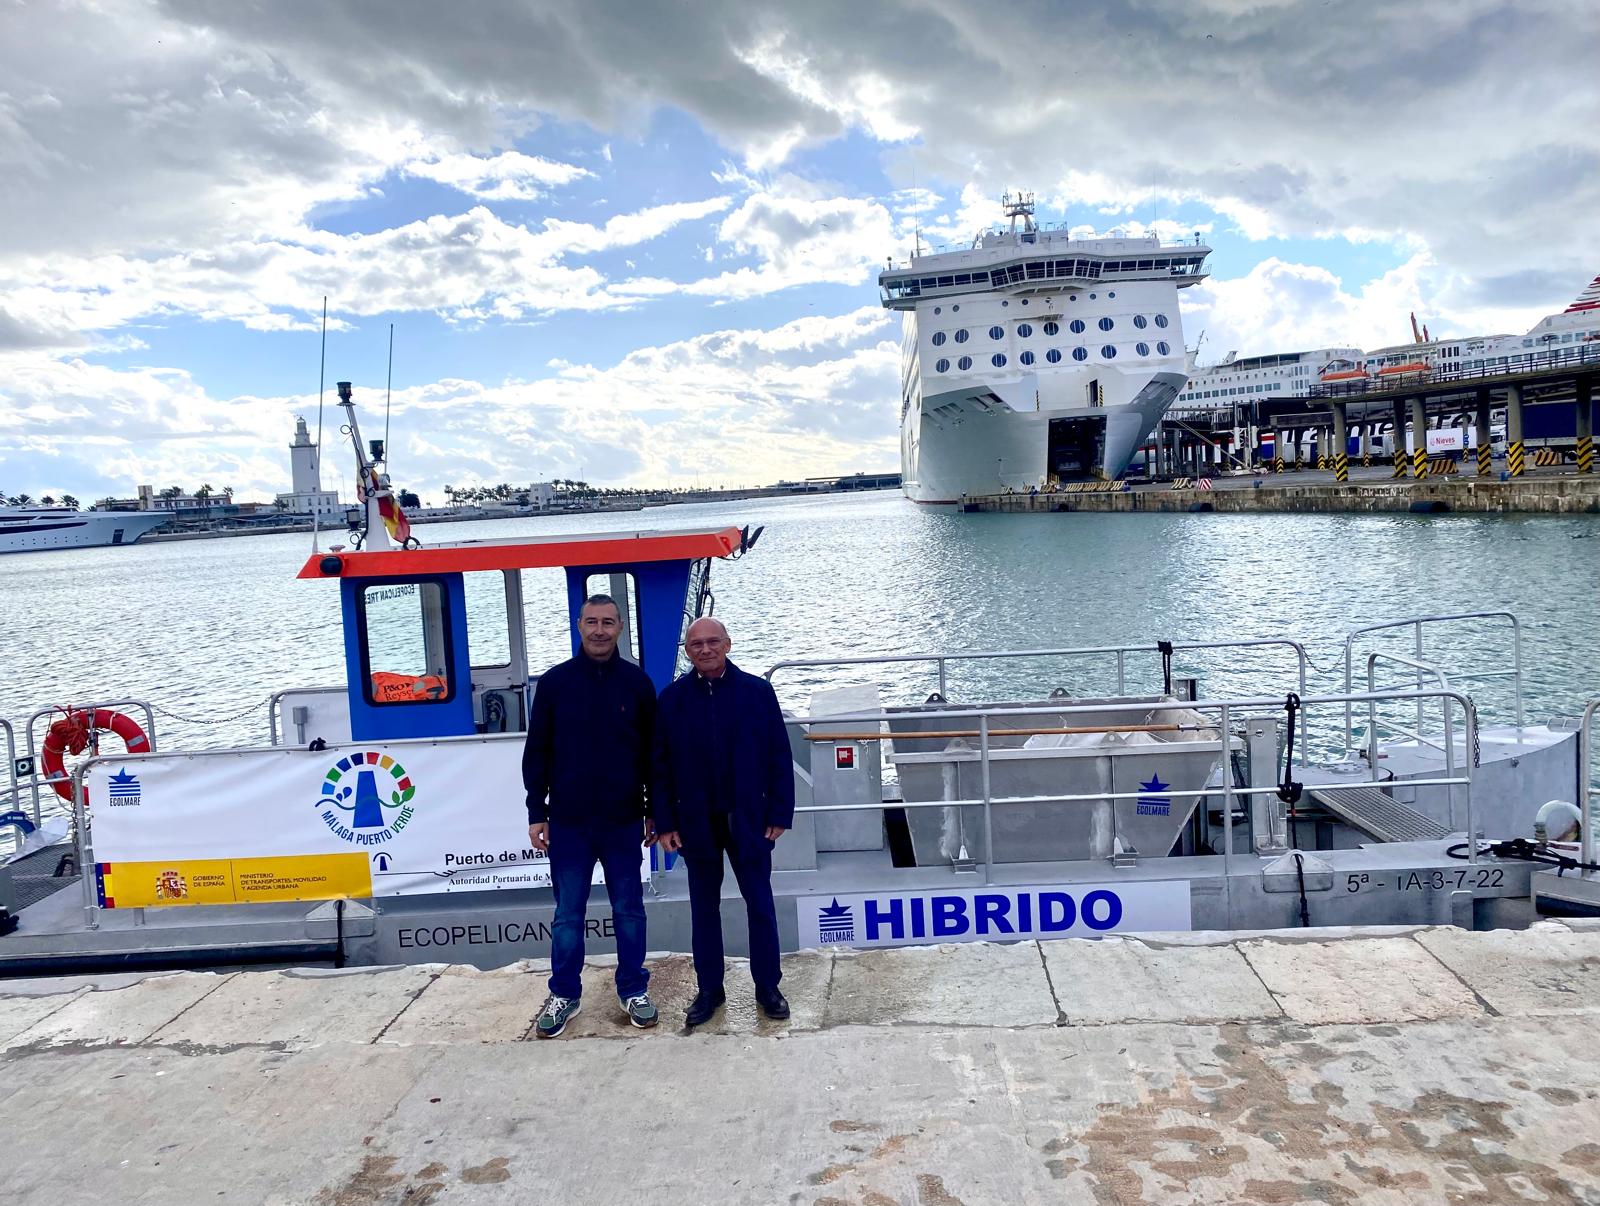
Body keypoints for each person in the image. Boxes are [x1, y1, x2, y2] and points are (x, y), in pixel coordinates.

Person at [523, 594, 659, 1038]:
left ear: (620, 627)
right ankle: (564, 993)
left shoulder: (638, 684)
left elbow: (653, 756)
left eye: (608, 622)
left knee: (629, 911)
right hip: (569, 822)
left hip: (622, 821)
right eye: (591, 622)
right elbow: (537, 752)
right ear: (578, 626)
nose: (599, 630)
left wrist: (654, 809)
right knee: (567, 914)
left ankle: (633, 988)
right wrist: (536, 811)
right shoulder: (556, 684)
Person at [654, 616, 795, 1027]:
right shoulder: (673, 700)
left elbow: (778, 756)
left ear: (728, 644)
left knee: (760, 905)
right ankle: (710, 990)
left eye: (713, 642)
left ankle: (768, 986)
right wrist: (665, 822)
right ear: (688, 651)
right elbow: (659, 766)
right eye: (696, 644)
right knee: (704, 909)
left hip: (748, 819)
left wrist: (779, 813)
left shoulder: (757, 692)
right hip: (696, 821)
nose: (705, 650)